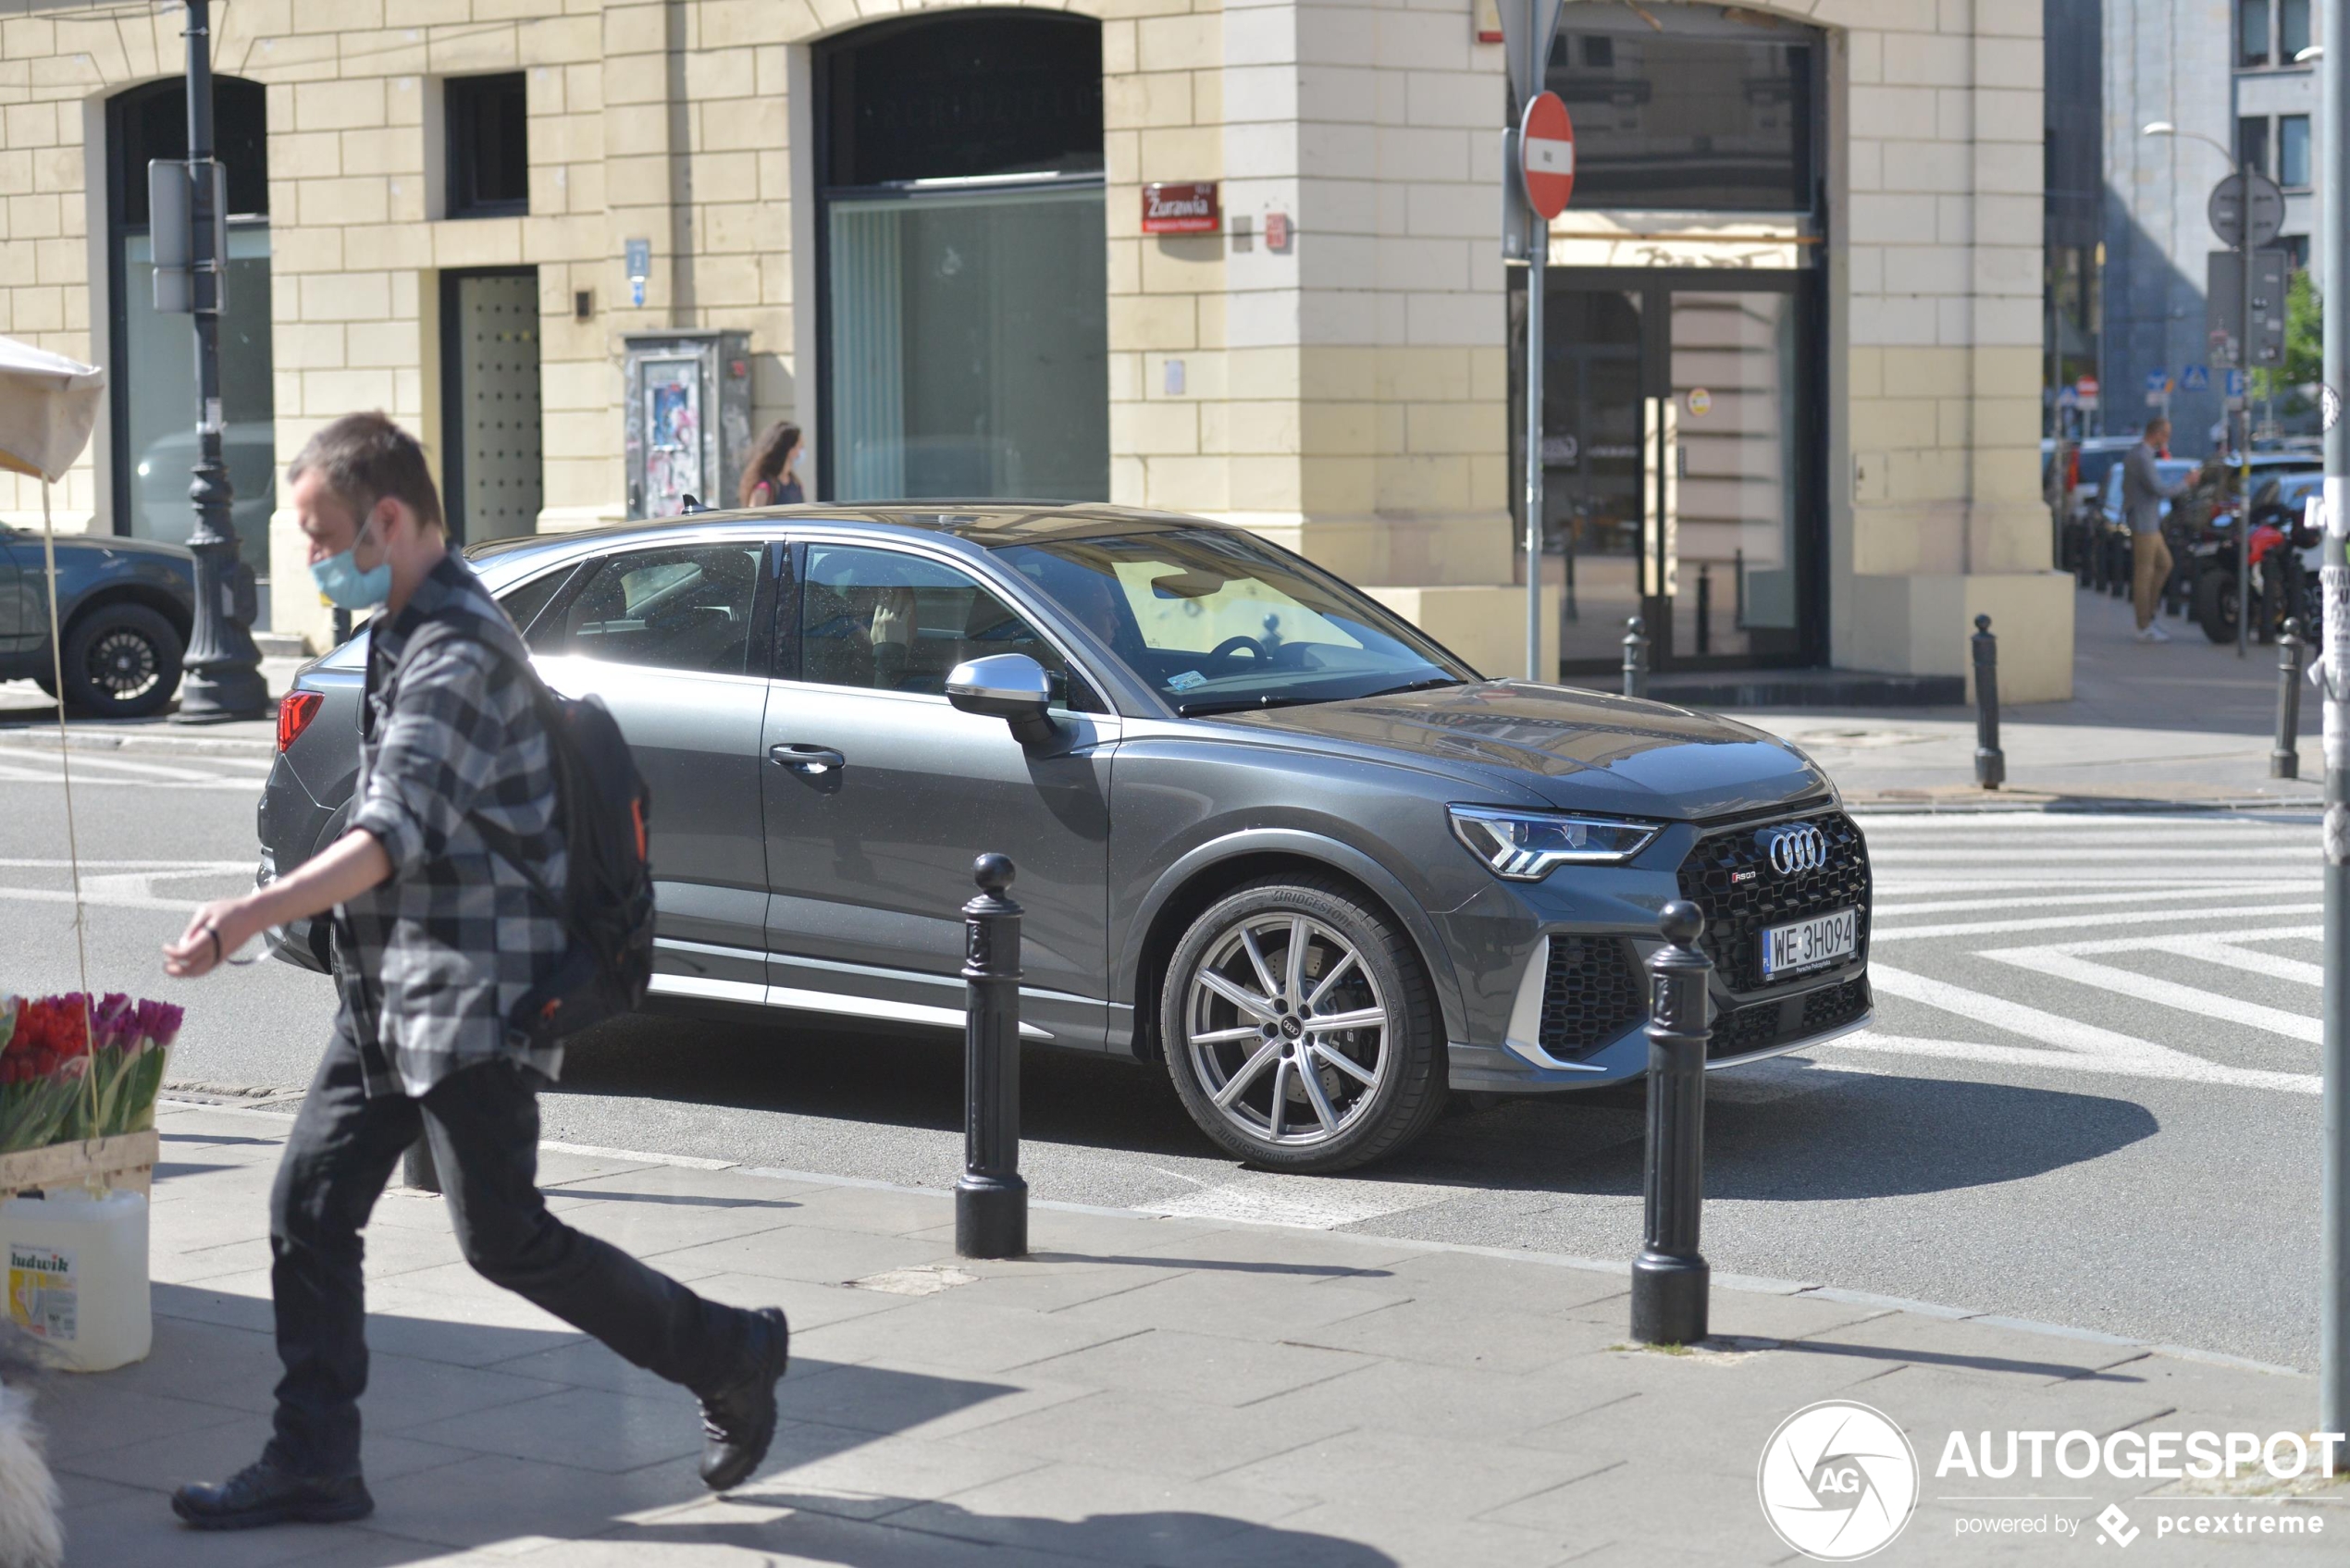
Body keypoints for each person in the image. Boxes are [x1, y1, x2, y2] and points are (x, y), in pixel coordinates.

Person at [159, 414, 789, 1532]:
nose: (312, 560)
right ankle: (313, 1461)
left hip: (468, 999)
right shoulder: (408, 623)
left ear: (389, 520)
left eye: (322, 535)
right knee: (308, 1207)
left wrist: (249, 912)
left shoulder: (454, 647)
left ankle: (731, 1352)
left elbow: (388, 835)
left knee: (504, 1240)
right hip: (391, 994)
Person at [2121, 416, 2190, 643]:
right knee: (2144, 572)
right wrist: (2186, 483)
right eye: (2166, 435)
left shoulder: (2141, 454)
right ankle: (2144, 624)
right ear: (2157, 434)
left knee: (2164, 564)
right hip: (2144, 522)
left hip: (2148, 521)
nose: (2167, 440)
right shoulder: (2142, 456)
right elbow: (2158, 489)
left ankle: (2148, 616)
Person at [739, 419, 803, 506]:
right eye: (799, 447)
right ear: (789, 449)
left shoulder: (795, 484)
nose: (800, 453)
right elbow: (753, 517)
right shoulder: (765, 487)